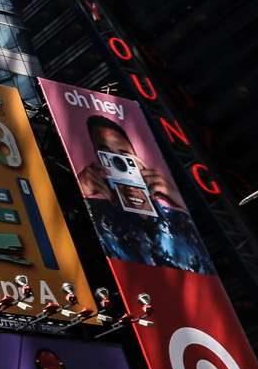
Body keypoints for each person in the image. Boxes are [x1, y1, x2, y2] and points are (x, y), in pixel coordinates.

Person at [72, 117, 211, 274]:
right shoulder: (99, 215)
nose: (119, 164)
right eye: (107, 156)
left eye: (124, 155)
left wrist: (181, 202)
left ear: (138, 159)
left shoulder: (178, 218)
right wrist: (77, 193)